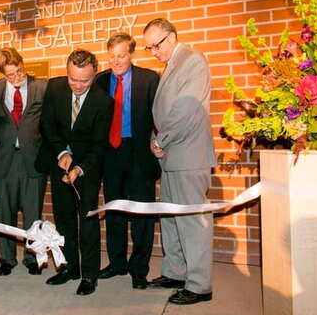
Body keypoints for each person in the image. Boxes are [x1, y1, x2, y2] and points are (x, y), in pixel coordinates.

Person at [143, 18, 217, 305]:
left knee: (192, 222)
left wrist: (161, 140)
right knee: (171, 218)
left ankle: (199, 285)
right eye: (148, 48)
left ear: (171, 37)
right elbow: (162, 113)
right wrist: (155, 138)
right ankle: (175, 272)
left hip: (187, 156)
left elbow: (186, 111)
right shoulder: (171, 65)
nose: (153, 52)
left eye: (156, 45)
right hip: (172, 156)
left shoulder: (193, 61)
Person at [36, 49, 113, 296]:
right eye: (73, 79)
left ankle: (90, 274)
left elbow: (99, 145)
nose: (78, 85)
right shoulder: (55, 87)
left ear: (94, 75)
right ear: (67, 72)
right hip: (60, 163)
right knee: (64, 218)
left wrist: (80, 168)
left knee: (87, 222)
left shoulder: (103, 101)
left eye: (85, 81)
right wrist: (61, 153)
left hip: (87, 168)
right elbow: (47, 124)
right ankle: (71, 268)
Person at [94, 33, 160, 290]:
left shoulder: (149, 79)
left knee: (142, 214)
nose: (116, 61)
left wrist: (158, 142)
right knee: (114, 211)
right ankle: (117, 263)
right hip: (111, 152)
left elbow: (159, 116)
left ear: (131, 54)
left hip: (138, 151)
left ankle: (139, 269)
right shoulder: (100, 81)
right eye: (112, 56)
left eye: (121, 55)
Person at [0, 48, 47, 276]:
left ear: (23, 65)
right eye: (10, 75)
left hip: (32, 159)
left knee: (33, 212)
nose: (16, 78)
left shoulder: (41, 87)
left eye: (19, 72)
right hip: (5, 160)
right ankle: (7, 258)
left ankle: (32, 258)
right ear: (3, 74)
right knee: (5, 211)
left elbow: (49, 122)